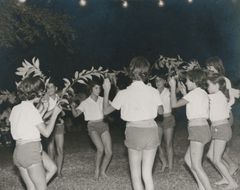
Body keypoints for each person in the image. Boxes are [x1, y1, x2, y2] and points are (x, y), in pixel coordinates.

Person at [103, 56, 163, 190]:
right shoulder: (153, 91)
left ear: (130, 72)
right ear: (146, 73)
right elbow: (161, 111)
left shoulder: (123, 93)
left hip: (134, 131)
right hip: (151, 131)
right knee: (147, 174)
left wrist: (107, 91)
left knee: (135, 175)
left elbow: (106, 111)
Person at [9, 76, 61, 190]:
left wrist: (43, 109)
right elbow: (46, 133)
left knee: (32, 188)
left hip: (18, 153)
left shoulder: (16, 109)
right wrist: (55, 114)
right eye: (42, 92)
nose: (43, 94)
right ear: (36, 93)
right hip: (31, 151)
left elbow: (29, 124)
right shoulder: (32, 110)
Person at [169, 69, 212, 190]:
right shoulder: (202, 92)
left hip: (197, 129)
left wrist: (172, 88)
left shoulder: (193, 94)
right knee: (188, 160)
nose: (186, 83)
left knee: (196, 165)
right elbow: (195, 105)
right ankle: (201, 186)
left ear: (194, 81)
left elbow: (174, 105)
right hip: (203, 128)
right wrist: (184, 94)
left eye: (187, 80)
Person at [71, 80, 112, 179]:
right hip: (92, 126)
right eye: (96, 88)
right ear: (91, 89)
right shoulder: (85, 102)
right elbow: (76, 114)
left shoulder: (103, 99)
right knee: (100, 149)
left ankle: (103, 171)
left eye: (99, 88)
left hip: (103, 124)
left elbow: (114, 106)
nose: (98, 90)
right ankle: (97, 170)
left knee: (109, 152)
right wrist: (72, 107)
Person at [206, 56, 239, 175]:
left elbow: (231, 97)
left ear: (217, 66)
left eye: (211, 66)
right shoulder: (211, 81)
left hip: (225, 116)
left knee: (220, 146)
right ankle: (230, 167)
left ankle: (230, 167)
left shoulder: (224, 80)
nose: (209, 69)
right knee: (219, 148)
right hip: (217, 117)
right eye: (207, 67)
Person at [154, 74, 175, 172]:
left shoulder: (169, 91)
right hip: (157, 120)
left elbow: (177, 91)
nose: (158, 82)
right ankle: (164, 163)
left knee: (168, 143)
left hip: (168, 118)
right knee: (157, 143)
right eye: (156, 81)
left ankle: (170, 167)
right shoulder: (153, 92)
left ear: (164, 82)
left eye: (160, 80)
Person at [45, 82, 65, 177]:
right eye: (47, 88)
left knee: (60, 149)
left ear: (56, 88)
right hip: (48, 126)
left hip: (59, 125)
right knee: (51, 150)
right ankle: (52, 171)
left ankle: (59, 172)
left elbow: (63, 112)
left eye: (51, 87)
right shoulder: (45, 100)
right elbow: (43, 115)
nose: (50, 89)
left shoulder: (61, 98)